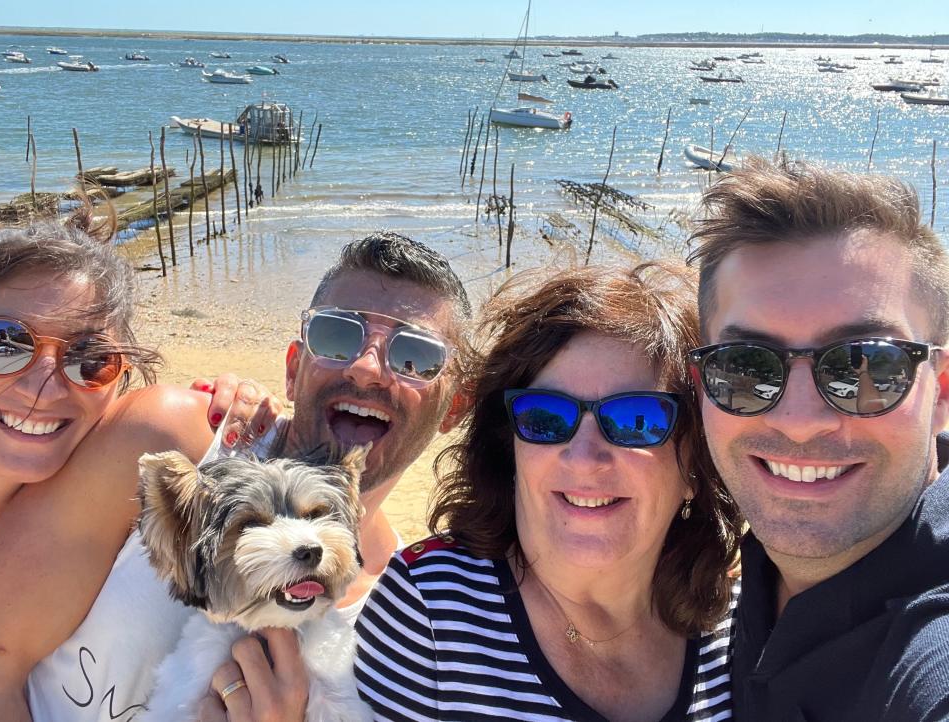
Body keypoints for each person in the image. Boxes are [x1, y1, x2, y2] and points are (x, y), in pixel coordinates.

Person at [354, 263, 742, 721]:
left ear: (697, 463)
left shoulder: (738, 626)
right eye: (546, 417)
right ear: (511, 446)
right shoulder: (430, 614)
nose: (584, 457)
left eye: (638, 420)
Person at [0, 202, 281, 722]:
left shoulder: (129, 463)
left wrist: (253, 413)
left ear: (122, 376)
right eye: (3, 343)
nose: (43, 387)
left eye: (90, 358)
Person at [686, 158, 949, 720]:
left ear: (942, 393)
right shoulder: (720, 589)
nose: (798, 419)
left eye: (866, 366)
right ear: (702, 389)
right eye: (746, 366)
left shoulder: (930, 657)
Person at [194, 231, 471, 721]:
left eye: (415, 357)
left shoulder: (396, 616)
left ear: (455, 408)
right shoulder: (186, 444)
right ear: (294, 367)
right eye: (338, 335)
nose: (366, 368)